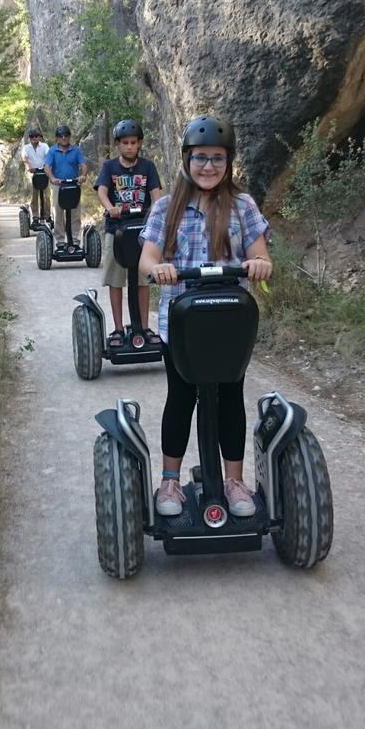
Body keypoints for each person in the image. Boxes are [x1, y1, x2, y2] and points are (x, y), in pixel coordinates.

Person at [139, 114, 273, 519]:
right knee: (180, 397)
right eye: (200, 158)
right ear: (186, 159)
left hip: (228, 324)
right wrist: (157, 268)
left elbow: (259, 251)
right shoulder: (167, 208)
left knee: (231, 397)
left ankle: (234, 482)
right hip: (181, 324)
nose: (209, 166)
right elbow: (148, 255)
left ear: (228, 162)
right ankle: (170, 481)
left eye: (217, 158)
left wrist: (261, 263)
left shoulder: (242, 205)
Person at [95, 119, 162, 348]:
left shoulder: (147, 167)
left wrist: (156, 211)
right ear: (118, 145)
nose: (129, 147)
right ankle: (117, 328)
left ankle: (143, 326)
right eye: (125, 143)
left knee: (143, 280)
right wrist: (110, 208)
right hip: (117, 231)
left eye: (133, 142)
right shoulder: (109, 168)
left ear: (139, 143)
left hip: (142, 233)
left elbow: (157, 196)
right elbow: (102, 192)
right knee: (116, 280)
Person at [44, 125, 88, 247]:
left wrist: (83, 175)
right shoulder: (52, 151)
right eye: (61, 136)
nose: (63, 138)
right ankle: (60, 241)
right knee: (58, 213)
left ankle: (75, 241)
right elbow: (47, 166)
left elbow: (83, 164)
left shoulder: (76, 150)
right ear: (57, 138)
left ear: (69, 137)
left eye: (66, 135)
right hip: (59, 185)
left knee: (75, 213)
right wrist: (53, 178)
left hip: (74, 185)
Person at [21, 126, 51, 224]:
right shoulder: (26, 148)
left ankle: (47, 216)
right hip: (33, 173)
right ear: (30, 138)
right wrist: (29, 166)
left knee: (47, 195)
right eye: (32, 137)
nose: (35, 138)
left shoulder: (44, 146)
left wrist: (47, 165)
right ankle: (35, 216)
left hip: (44, 172)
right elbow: (24, 158)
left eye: (36, 136)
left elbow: (49, 156)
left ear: (39, 137)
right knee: (34, 196)